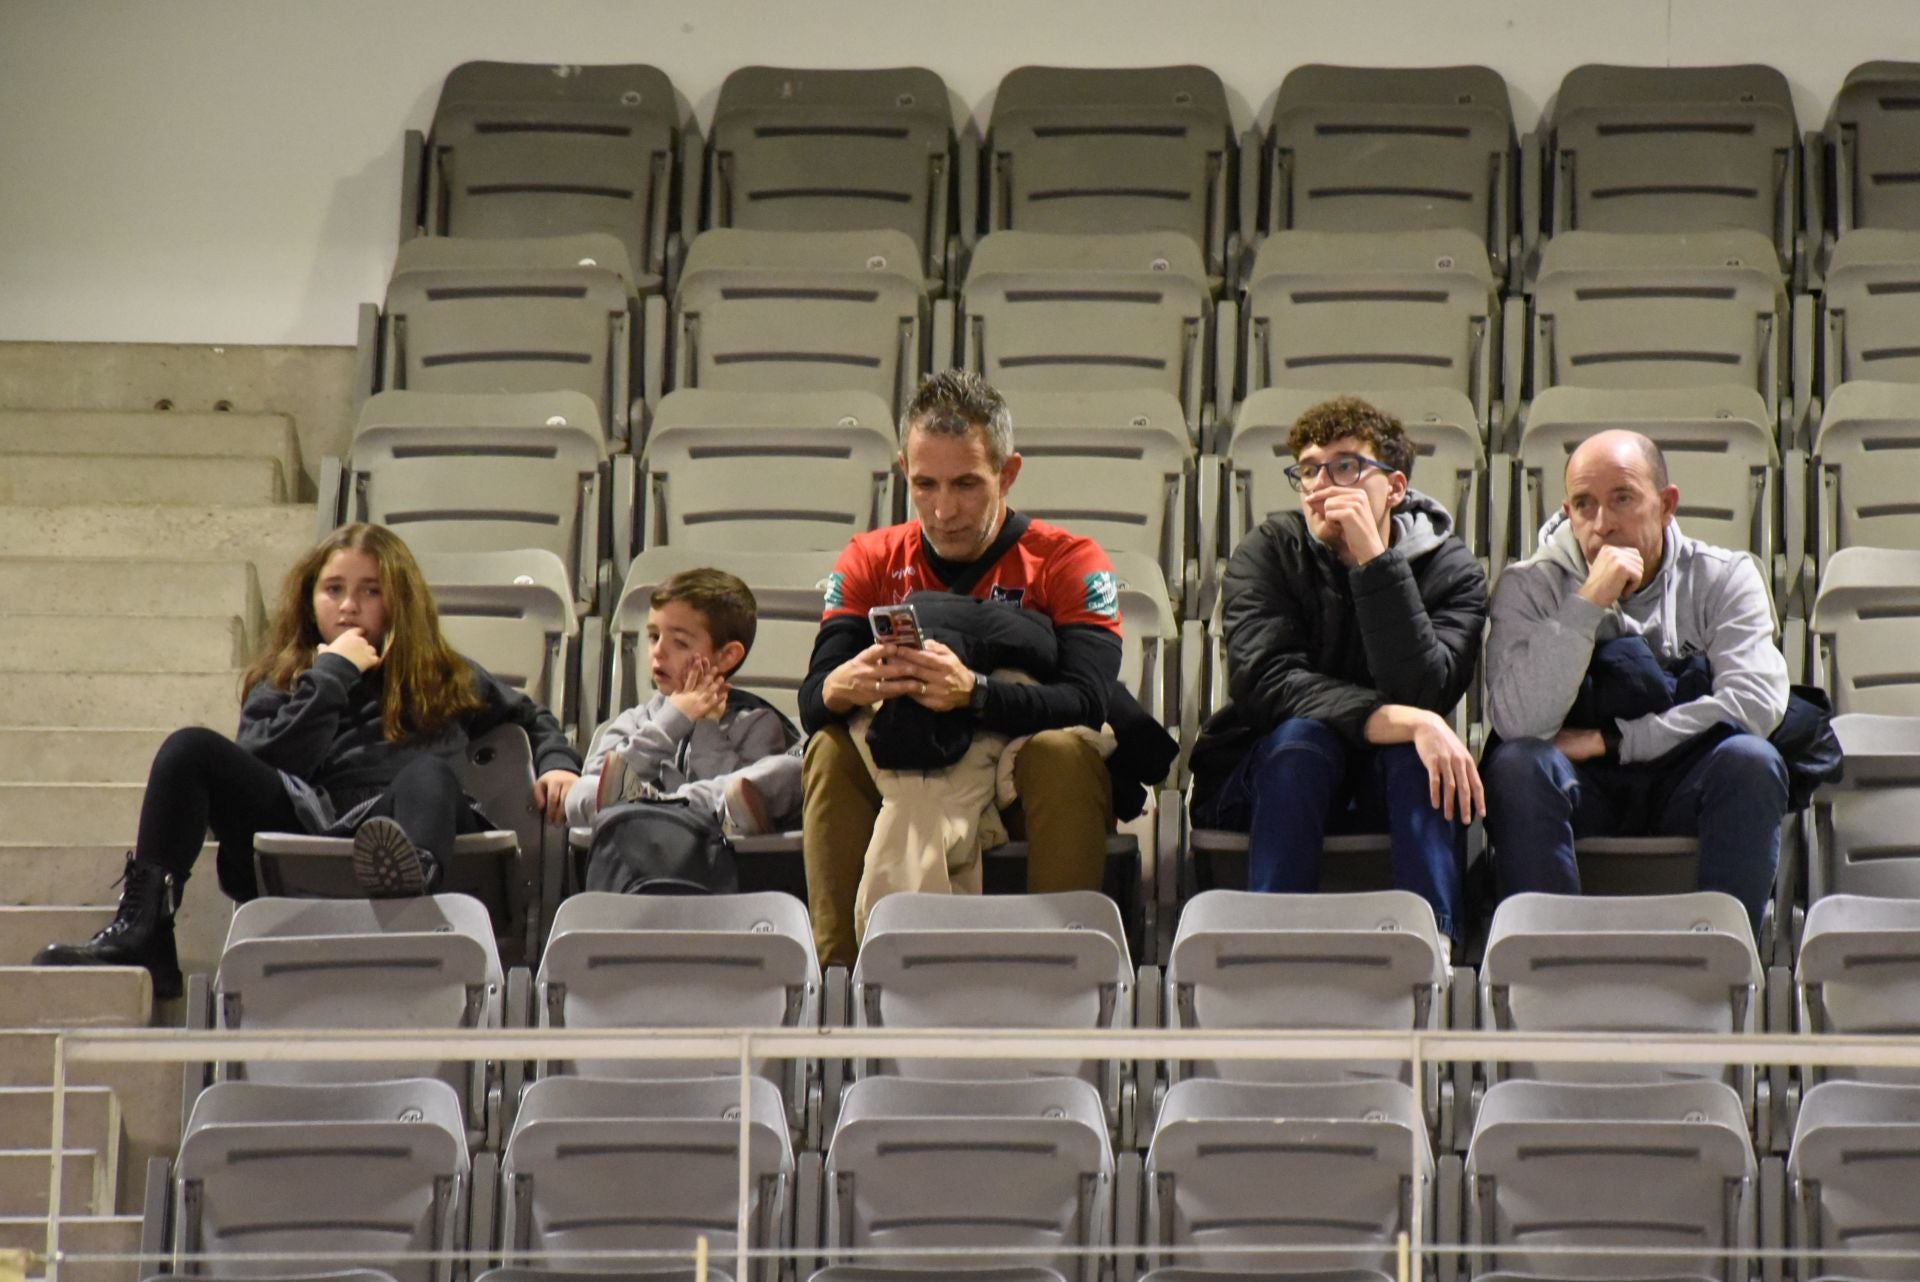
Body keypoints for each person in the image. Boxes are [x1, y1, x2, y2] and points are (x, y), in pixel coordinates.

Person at [33, 523, 582, 998]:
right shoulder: (286, 679)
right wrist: (332, 677)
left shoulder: (443, 673)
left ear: (399, 601)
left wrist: (558, 763)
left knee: (429, 774)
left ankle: (407, 899)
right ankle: (146, 929)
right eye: (334, 590)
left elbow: (531, 718)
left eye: (370, 591)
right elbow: (268, 760)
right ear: (309, 599)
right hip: (310, 813)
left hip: (411, 819)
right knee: (188, 748)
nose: (349, 606)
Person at [798, 369, 1125, 965]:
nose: (944, 510)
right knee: (826, 746)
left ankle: (1063, 975)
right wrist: (851, 683)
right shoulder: (870, 556)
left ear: (1008, 472)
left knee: (1067, 753)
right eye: (925, 484)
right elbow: (813, 698)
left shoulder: (1069, 559)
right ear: (903, 471)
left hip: (1020, 772)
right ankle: (840, 986)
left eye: (967, 485)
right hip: (904, 756)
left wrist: (973, 694)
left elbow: (1088, 700)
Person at [1188, 396, 1487, 943]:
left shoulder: (1453, 569)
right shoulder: (1268, 550)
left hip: (1392, 781)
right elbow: (1264, 685)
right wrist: (1404, 719)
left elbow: (1427, 687)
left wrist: (1376, 563)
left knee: (1418, 756)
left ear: (1394, 488)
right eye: (1308, 470)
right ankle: (1272, 942)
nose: (1322, 486)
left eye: (1345, 466)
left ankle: (1433, 949)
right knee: (1303, 739)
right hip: (1271, 772)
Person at [1481, 429, 1789, 932]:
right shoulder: (1528, 585)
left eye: (1622, 499)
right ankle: (1549, 969)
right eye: (1584, 505)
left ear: (1666, 505)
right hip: (1586, 789)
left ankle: (1723, 969)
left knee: (1752, 761)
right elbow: (1519, 722)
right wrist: (1585, 606)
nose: (1602, 523)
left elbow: (1753, 704)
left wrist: (1615, 741)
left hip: (1684, 775)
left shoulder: (1725, 577)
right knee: (1518, 765)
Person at [565, 567, 801, 832]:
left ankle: (659, 807)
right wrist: (671, 723)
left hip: (716, 852)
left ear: (727, 656)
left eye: (679, 642)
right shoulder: (634, 720)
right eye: (653, 636)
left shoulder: (756, 722)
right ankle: (662, 810)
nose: (658, 652)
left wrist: (707, 725)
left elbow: (741, 802)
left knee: (790, 770)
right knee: (582, 788)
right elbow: (601, 784)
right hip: (642, 843)